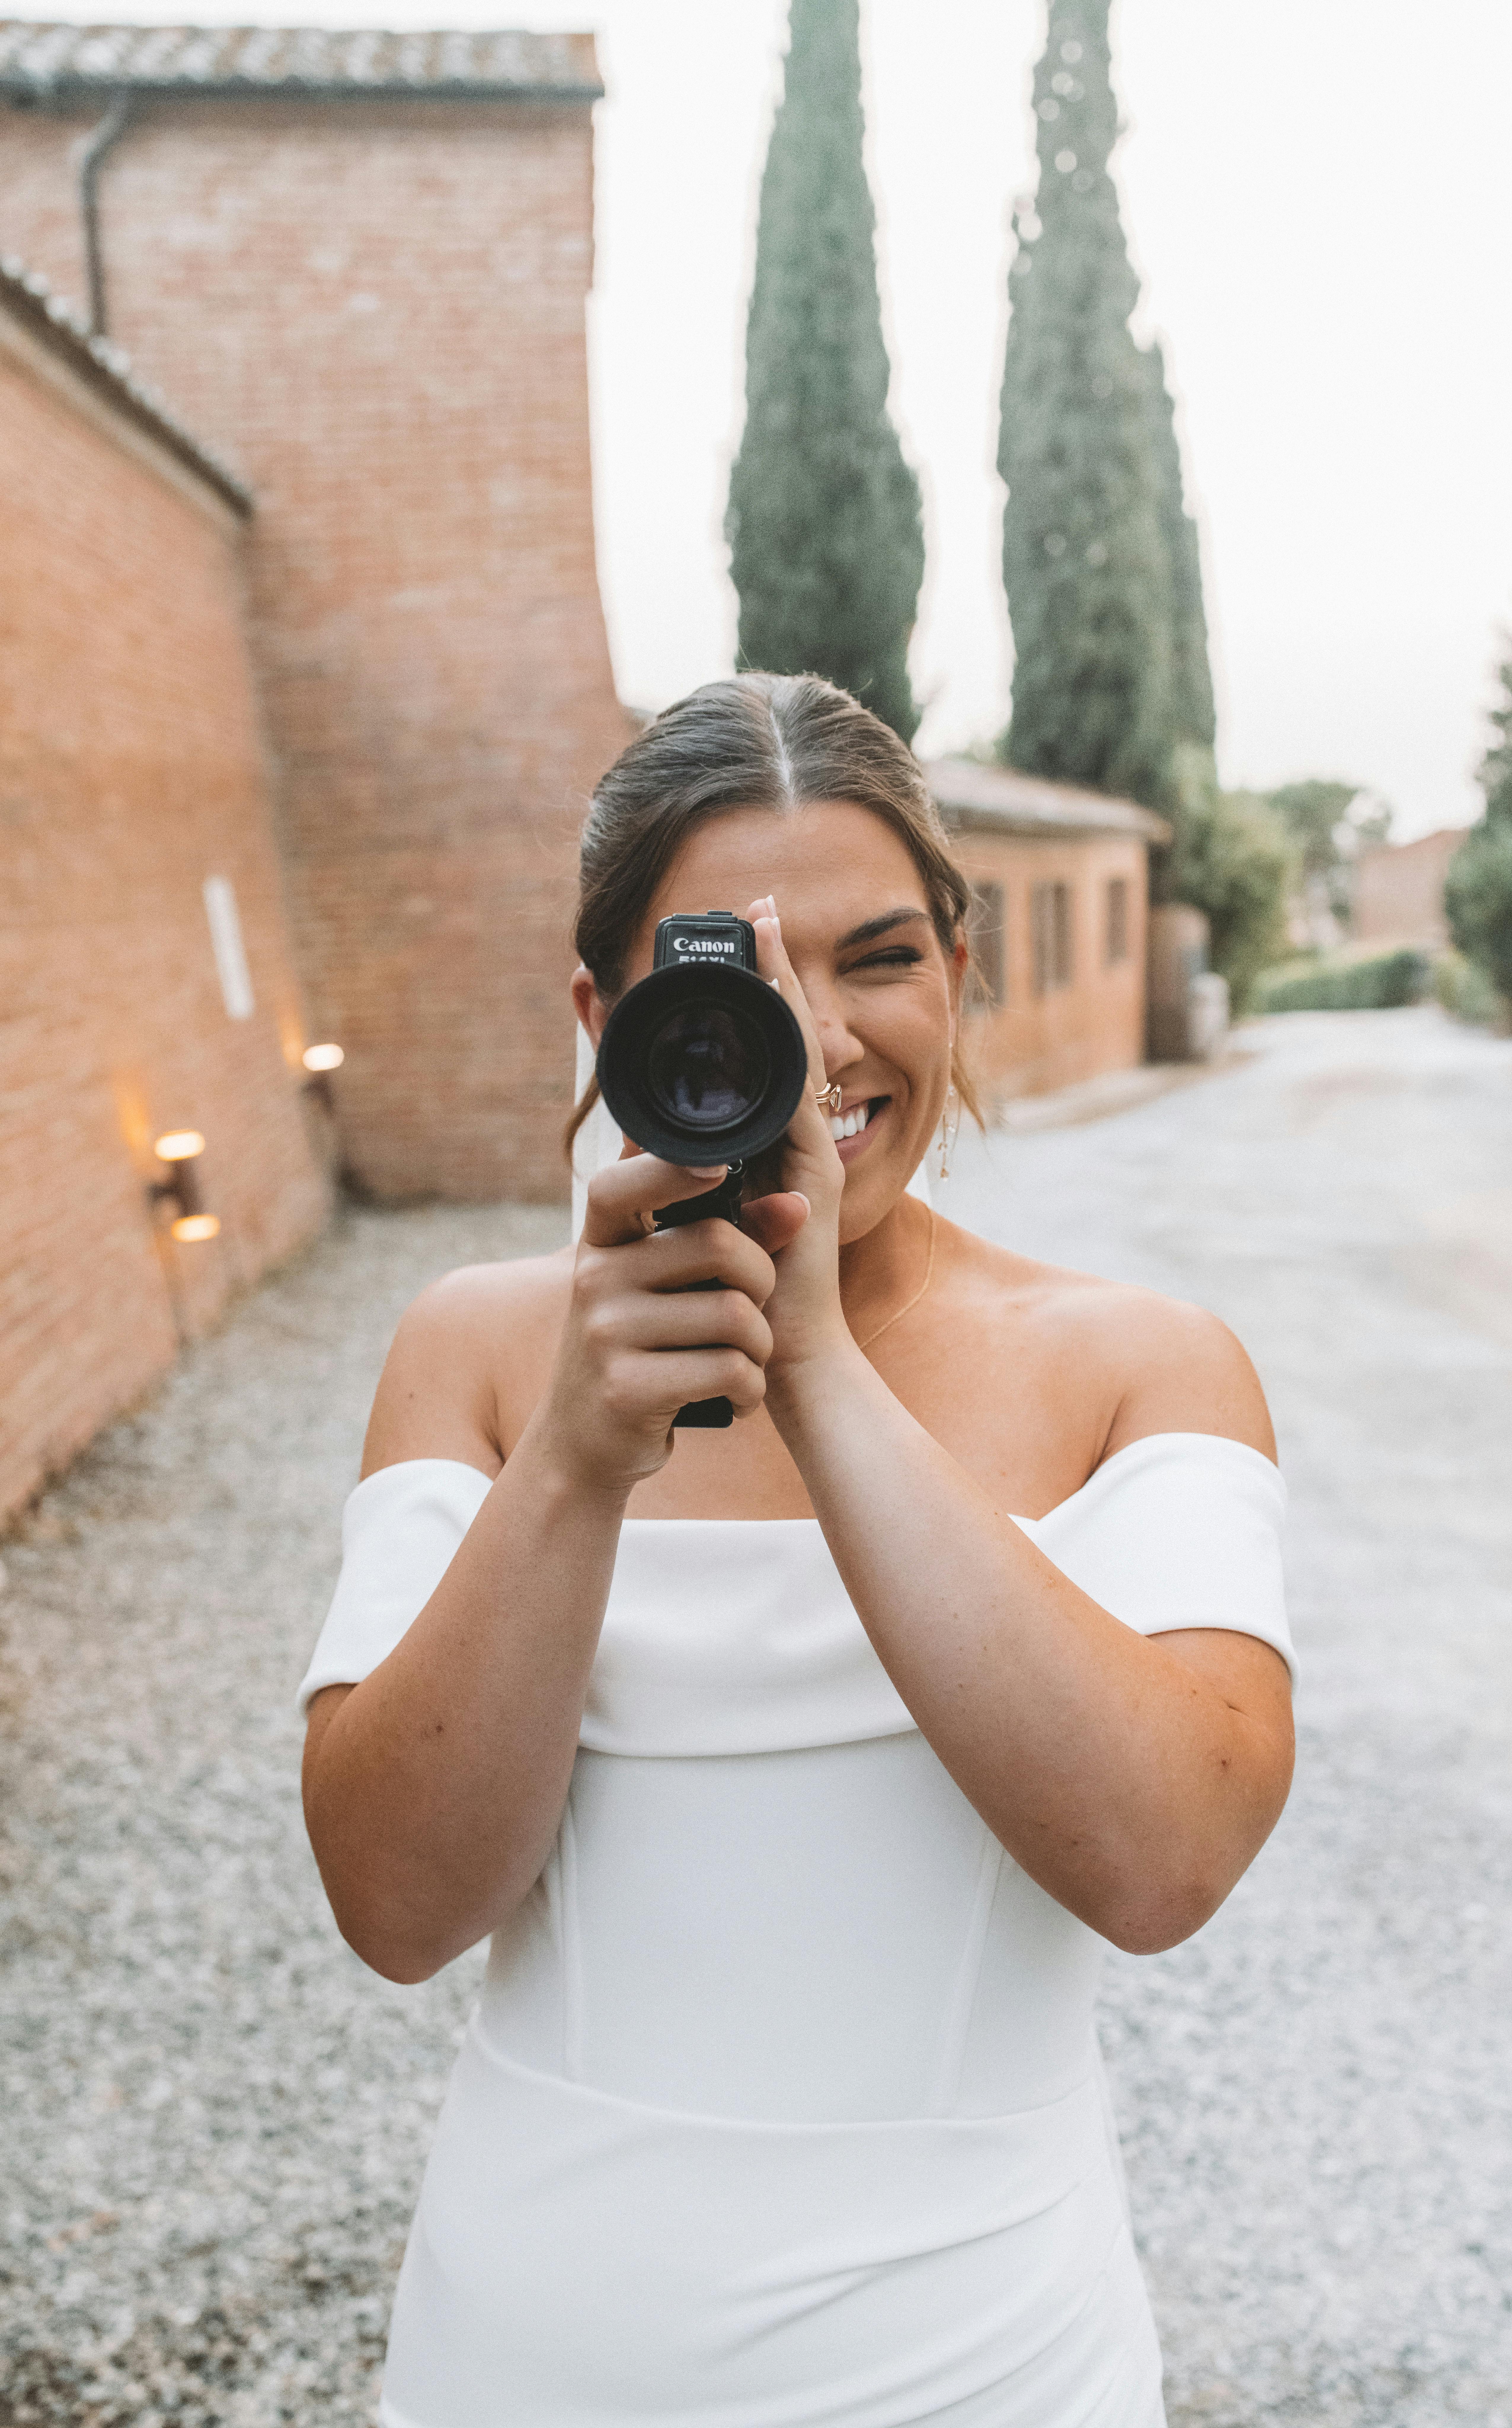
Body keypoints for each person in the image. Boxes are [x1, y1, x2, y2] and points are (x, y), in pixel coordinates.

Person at [298, 672, 1295, 2428]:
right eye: (732, 972)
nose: (814, 1038)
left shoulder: (1141, 1366)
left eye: (880, 958)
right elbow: (396, 1907)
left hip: (987, 2360)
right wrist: (576, 1466)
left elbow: (1162, 1866)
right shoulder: (470, 1355)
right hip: (531, 2352)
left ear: (961, 977)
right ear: (605, 1013)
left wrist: (816, 1363)